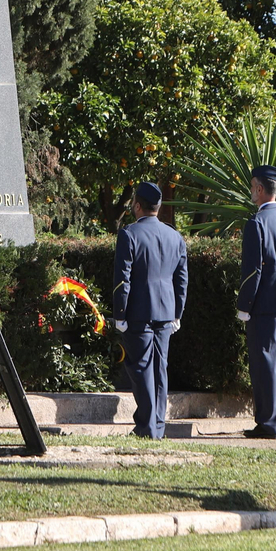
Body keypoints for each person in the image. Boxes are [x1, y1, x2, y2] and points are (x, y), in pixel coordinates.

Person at [111, 182, 188, 439]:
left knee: (142, 368)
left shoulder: (129, 234)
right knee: (159, 369)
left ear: (137, 206)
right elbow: (181, 279)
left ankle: (147, 426)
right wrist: (178, 312)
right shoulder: (175, 236)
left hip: (138, 313)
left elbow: (123, 279)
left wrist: (120, 314)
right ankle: (156, 425)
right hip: (166, 312)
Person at [237, 164, 276, 439]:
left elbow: (253, 270)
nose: (251, 191)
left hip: (265, 301)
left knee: (265, 361)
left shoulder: (257, 223)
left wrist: (244, 305)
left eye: (253, 186)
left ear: (260, 189)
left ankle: (268, 424)